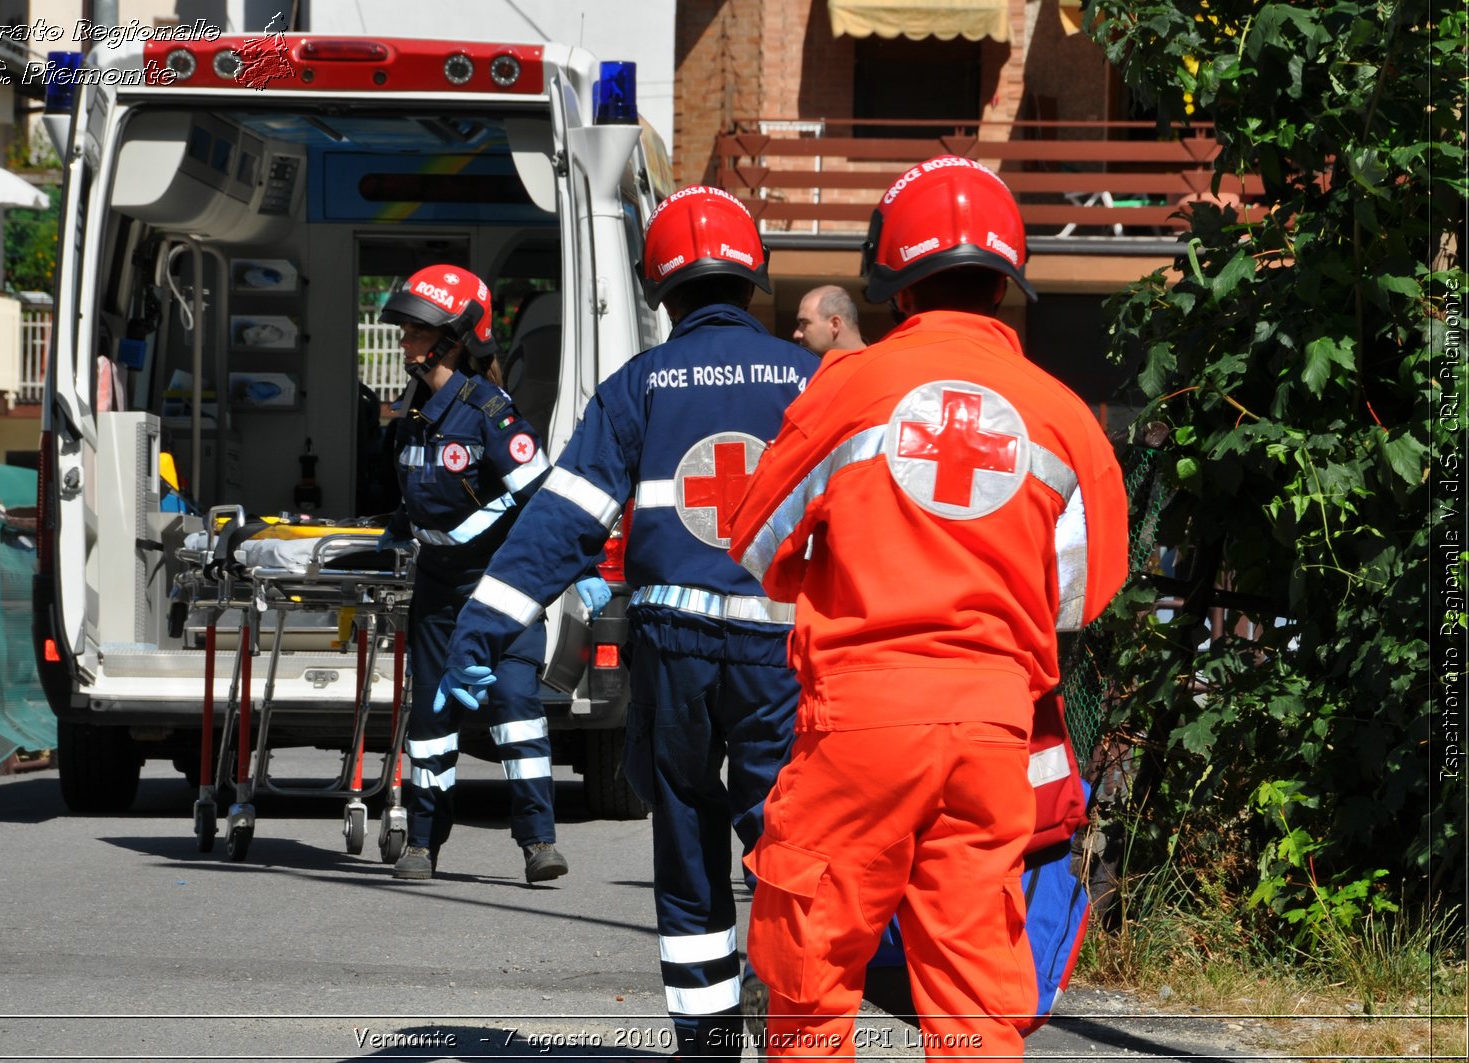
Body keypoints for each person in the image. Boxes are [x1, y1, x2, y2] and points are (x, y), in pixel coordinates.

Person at [726, 156, 1130, 1060]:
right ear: (1007, 278)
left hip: (859, 722)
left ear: (889, 277)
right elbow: (1081, 596)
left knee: (813, 971)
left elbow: (758, 546)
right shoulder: (1064, 417)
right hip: (992, 732)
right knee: (973, 985)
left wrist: (842, 570)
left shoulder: (844, 390)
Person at [437, 186, 815, 1057]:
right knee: (792, 847)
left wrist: (480, 632)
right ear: (756, 274)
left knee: (687, 844)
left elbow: (560, 524)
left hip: (675, 656)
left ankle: (708, 1043)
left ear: (657, 287)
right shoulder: (810, 379)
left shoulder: (637, 386)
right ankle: (798, 1023)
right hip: (782, 653)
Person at [373, 263, 581, 885]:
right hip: (438, 594)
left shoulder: (491, 412)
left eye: (415, 329)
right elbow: (419, 501)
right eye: (406, 328)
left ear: (452, 335)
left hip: (500, 594)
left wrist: (581, 568)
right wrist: (393, 528)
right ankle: (423, 846)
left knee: (515, 706)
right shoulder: (410, 414)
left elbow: (541, 501)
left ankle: (538, 842)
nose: (405, 340)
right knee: (432, 725)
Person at [791, 284, 865, 357]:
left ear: (835, 324)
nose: (796, 334)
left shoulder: (874, 365)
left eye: (805, 323)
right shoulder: (807, 366)